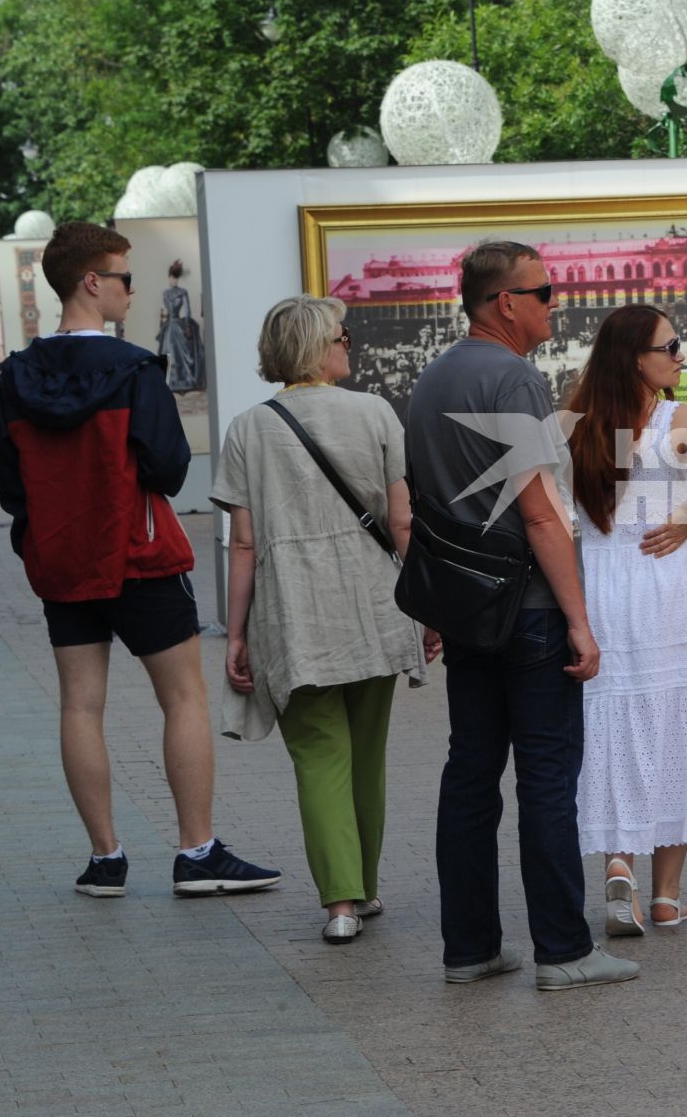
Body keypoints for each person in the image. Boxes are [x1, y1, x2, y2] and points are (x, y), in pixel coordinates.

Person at [0, 221, 280, 900]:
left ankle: (105, 859)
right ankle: (196, 852)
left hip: (62, 561)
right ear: (92, 282)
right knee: (181, 697)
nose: (132, 289)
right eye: (124, 276)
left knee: (80, 707)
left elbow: (11, 487)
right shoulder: (134, 371)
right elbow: (170, 469)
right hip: (139, 554)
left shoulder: (16, 376)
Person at [406, 239, 638, 991]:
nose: (553, 303)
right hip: (530, 609)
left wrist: (439, 607)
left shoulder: (431, 378)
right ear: (504, 301)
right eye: (543, 293)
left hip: (468, 607)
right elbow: (541, 514)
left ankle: (469, 948)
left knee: (470, 773)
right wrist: (579, 619)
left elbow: (425, 507)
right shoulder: (512, 378)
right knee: (546, 778)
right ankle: (564, 953)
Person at [214, 296, 434, 945]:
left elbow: (244, 544)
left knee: (318, 755)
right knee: (368, 753)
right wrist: (427, 606)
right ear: (318, 346)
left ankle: (339, 904)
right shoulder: (374, 414)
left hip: (293, 613)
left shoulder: (247, 430)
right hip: (374, 605)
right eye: (343, 335)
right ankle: (363, 890)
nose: (350, 345)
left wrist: (235, 632)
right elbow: (401, 523)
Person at [567, 304, 687, 935]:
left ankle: (619, 860)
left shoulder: (575, 422)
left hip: (599, 580)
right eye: (671, 347)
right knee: (677, 719)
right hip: (667, 576)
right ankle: (667, 896)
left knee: (612, 722)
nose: (682, 357)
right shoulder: (675, 419)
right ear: (637, 359)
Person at [157, 260, 205, 391]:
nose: (174, 281)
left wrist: (188, 326)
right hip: (171, 325)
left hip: (177, 324)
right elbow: (167, 311)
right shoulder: (167, 293)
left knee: (178, 350)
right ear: (169, 278)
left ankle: (184, 381)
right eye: (173, 278)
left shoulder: (179, 292)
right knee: (168, 351)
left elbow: (187, 311)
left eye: (176, 278)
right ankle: (171, 381)